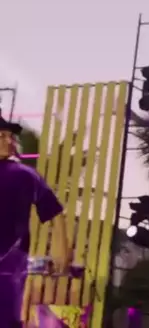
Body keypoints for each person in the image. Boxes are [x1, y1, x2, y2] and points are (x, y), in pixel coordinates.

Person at [0, 113, 70, 328]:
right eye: (2, 136)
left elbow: (55, 212)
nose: (9, 141)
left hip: (8, 270)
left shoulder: (24, 175)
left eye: (11, 137)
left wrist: (62, 250)